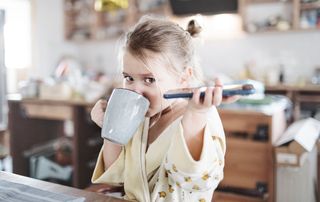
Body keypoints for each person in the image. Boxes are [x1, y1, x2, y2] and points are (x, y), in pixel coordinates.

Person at [91, 16, 238, 202]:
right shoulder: (139, 117)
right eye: (128, 78)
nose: (136, 91)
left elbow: (195, 180)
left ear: (184, 78)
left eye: (149, 80)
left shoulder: (202, 116)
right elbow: (117, 178)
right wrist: (111, 128)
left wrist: (196, 114)